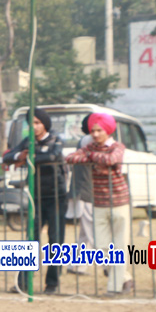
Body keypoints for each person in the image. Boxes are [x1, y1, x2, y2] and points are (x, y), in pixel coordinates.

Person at [3, 108, 66, 294]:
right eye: (31, 123)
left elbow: (52, 156)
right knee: (31, 239)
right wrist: (19, 156)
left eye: (38, 123)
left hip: (56, 196)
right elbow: (7, 156)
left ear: (45, 124)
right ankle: (24, 282)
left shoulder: (55, 139)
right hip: (35, 196)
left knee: (55, 240)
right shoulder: (28, 141)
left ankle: (52, 283)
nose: (34, 127)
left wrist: (29, 158)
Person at [67, 112, 131, 295]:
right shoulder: (90, 147)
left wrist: (90, 157)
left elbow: (112, 159)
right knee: (101, 247)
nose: (95, 134)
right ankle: (125, 279)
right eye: (93, 131)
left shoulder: (117, 146)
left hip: (119, 202)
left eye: (99, 130)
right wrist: (95, 157)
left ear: (108, 131)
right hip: (99, 203)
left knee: (119, 246)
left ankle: (115, 287)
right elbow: (71, 158)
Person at [66, 115, 94, 275]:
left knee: (86, 231)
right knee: (93, 231)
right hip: (87, 191)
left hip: (85, 190)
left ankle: (77, 265)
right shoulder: (88, 141)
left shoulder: (85, 141)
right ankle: (109, 266)